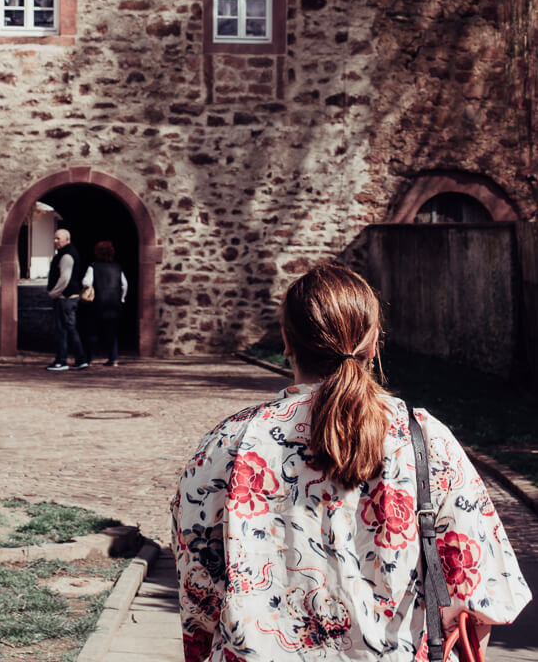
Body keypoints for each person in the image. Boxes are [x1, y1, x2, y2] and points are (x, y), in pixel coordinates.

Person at [171, 262, 530, 662]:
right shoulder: (426, 440)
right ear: (374, 344)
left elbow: (198, 590)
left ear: (287, 343)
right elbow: (481, 598)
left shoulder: (228, 443)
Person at [45, 228, 88, 371]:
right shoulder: (66, 253)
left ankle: (64, 360)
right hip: (67, 298)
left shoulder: (67, 256)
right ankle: (76, 359)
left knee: (66, 329)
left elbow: (65, 278)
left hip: (66, 298)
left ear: (67, 239)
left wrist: (53, 293)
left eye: (58, 238)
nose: (55, 241)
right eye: (55, 238)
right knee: (66, 329)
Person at [81, 241, 127, 366]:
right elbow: (124, 285)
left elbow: (86, 282)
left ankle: (89, 358)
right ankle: (114, 359)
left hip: (97, 303)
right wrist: (121, 298)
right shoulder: (117, 267)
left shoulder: (93, 266)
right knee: (112, 332)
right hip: (114, 304)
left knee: (92, 332)